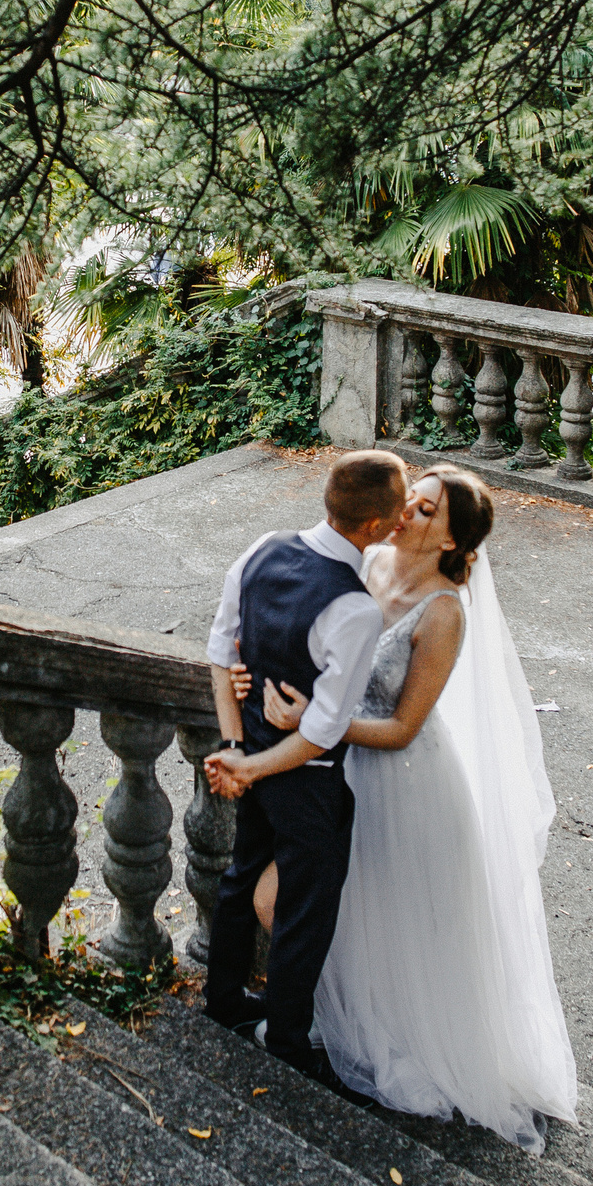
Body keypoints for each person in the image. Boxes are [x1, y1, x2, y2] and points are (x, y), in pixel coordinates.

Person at [210, 469, 579, 1152]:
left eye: (428, 506)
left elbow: (405, 725)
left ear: (452, 536)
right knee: (283, 900)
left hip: (403, 780)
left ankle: (369, 1034)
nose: (408, 507)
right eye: (413, 493)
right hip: (330, 768)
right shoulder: (368, 558)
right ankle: (331, 1022)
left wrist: (319, 723)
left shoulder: (445, 611)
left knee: (377, 920)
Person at [198, 450, 405, 1082]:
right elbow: (320, 733)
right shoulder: (354, 610)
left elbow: (218, 650)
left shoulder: (265, 546)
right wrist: (252, 767)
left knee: (239, 881)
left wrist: (235, 749)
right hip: (305, 784)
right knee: (304, 915)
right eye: (397, 511)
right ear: (373, 527)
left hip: (252, 757)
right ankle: (285, 1041)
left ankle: (223, 1002)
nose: (401, 522)